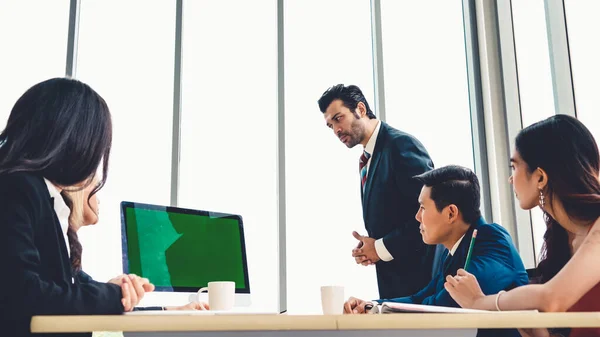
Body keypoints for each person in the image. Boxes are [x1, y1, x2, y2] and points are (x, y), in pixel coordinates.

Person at [0, 78, 153, 337]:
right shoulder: (19, 188)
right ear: (76, 141)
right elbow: (25, 292)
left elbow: (65, 288)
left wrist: (118, 291)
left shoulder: (43, 197)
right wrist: (112, 294)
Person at [444, 115, 600, 337]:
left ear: (540, 177)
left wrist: (480, 302)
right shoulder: (564, 240)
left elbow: (551, 299)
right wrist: (524, 318)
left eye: (514, 167)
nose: (510, 179)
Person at [344, 166, 527, 337]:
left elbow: (446, 305)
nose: (417, 217)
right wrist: (370, 305)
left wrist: (377, 311)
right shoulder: (452, 252)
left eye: (422, 207)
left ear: (450, 213)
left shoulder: (492, 240)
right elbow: (420, 298)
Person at [318, 84, 436, 299]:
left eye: (338, 118)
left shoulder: (401, 146)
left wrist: (380, 247)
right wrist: (371, 248)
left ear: (360, 109)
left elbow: (431, 217)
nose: (336, 130)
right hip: (396, 284)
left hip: (421, 286)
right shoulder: (369, 157)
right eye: (330, 125)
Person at [64, 181, 209, 311]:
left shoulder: (69, 251)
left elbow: (88, 297)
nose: (99, 200)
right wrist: (114, 291)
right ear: (76, 189)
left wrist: (175, 310)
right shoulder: (61, 248)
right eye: (95, 187)